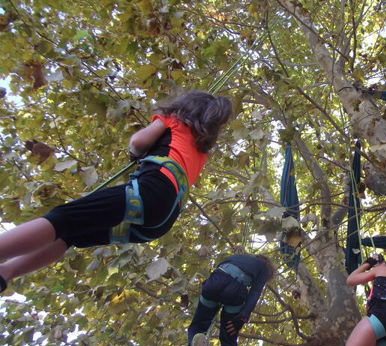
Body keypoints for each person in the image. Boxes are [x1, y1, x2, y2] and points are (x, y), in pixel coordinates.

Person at [0, 90, 232, 293]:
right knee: (70, 235)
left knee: (62, 218)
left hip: (151, 193)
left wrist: (135, 153)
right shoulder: (201, 152)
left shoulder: (174, 120)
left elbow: (138, 143)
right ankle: (6, 272)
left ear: (185, 107)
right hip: (160, 221)